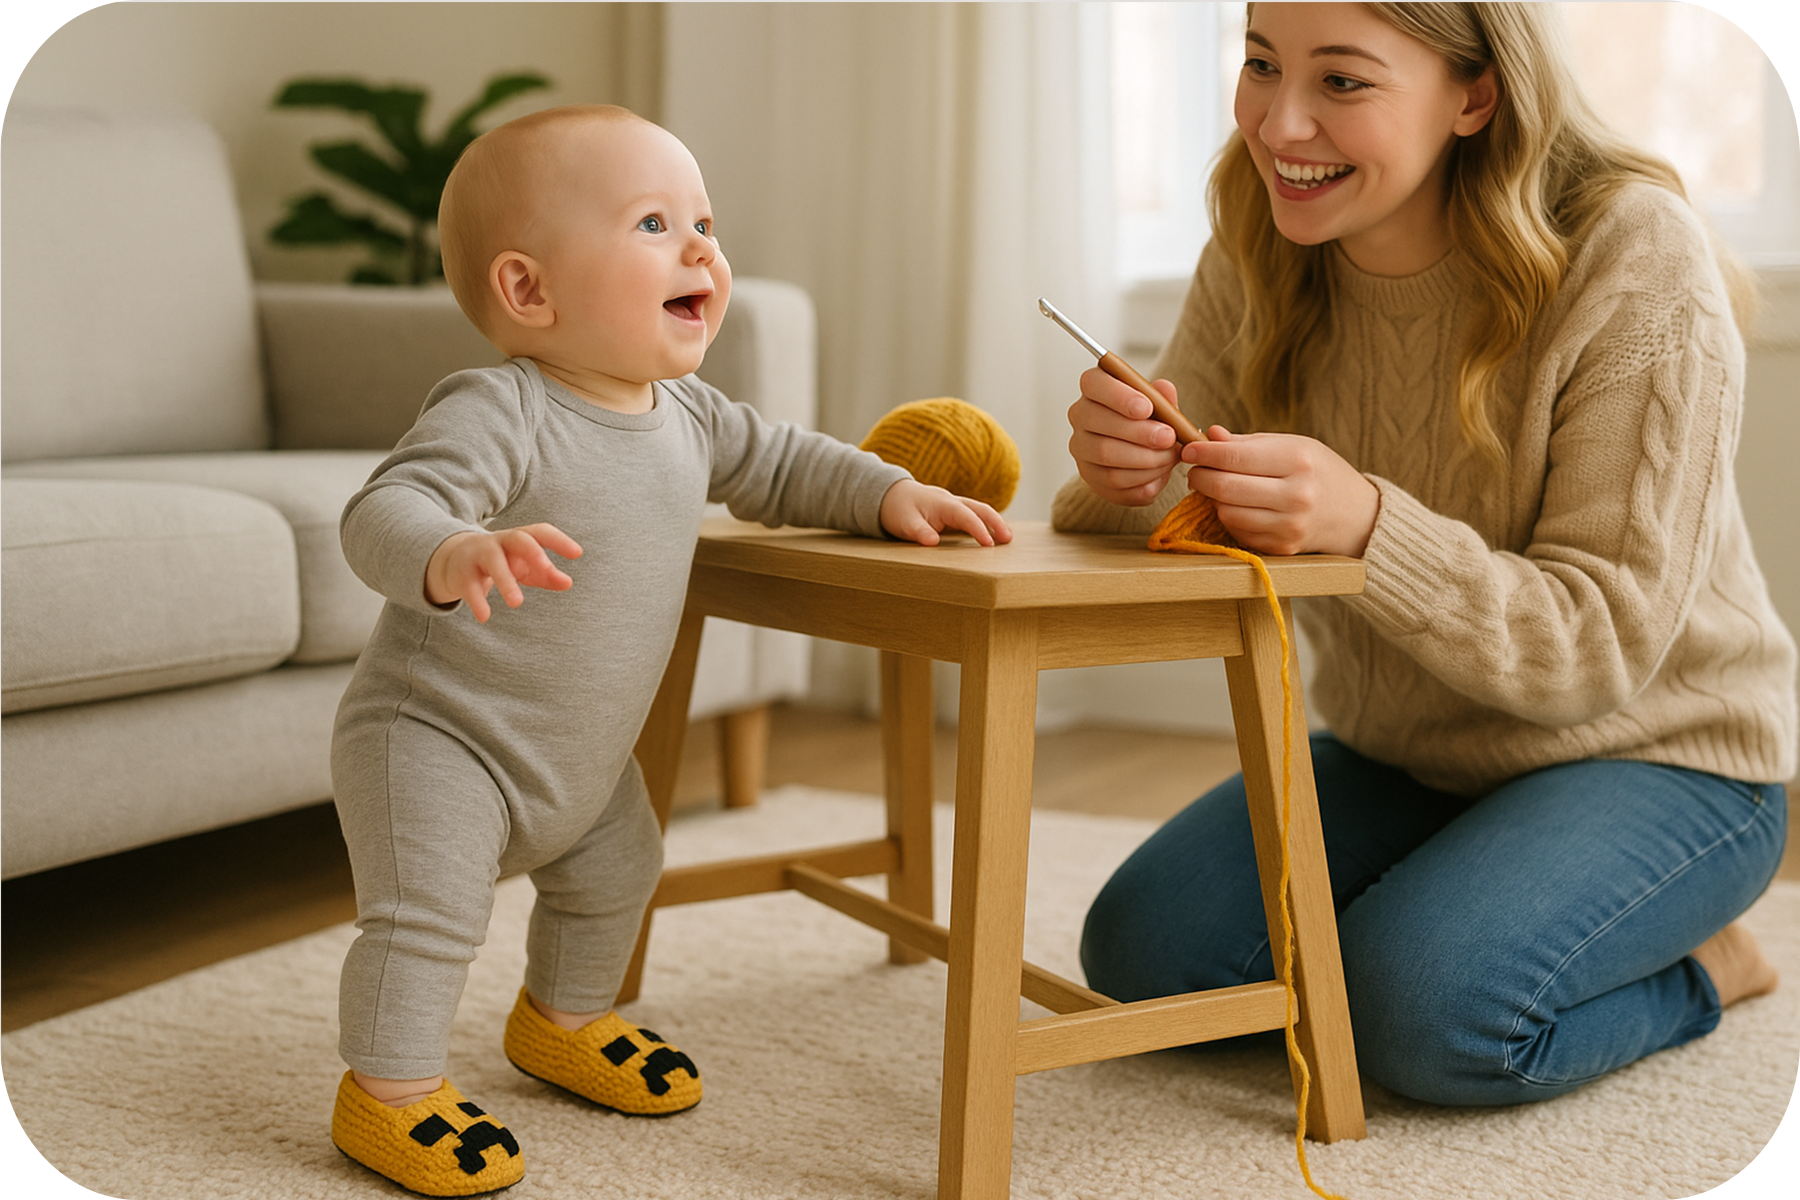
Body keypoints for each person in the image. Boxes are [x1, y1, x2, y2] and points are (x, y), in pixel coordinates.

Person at [1058, 2, 1793, 1108]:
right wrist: (1124, 473)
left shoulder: (1636, 253)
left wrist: (1367, 523)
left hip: (1662, 756)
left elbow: (1596, 646)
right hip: (1409, 749)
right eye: (1260, 64)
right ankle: (1464, 892)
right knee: (1145, 958)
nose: (1279, 125)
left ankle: (1705, 967)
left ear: (1475, 93)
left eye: (1342, 81)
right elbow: (1172, 501)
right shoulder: (1259, 233)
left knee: (1422, 1011)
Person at [327, 104, 1012, 1195]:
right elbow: (384, 508)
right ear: (528, 290)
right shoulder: (503, 408)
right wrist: (453, 549)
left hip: (580, 758)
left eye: (704, 223)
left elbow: (785, 466)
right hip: (442, 742)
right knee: (430, 918)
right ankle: (389, 1089)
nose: (700, 249)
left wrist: (889, 494)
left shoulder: (689, 413)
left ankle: (563, 1020)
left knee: (618, 873)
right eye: (654, 224)